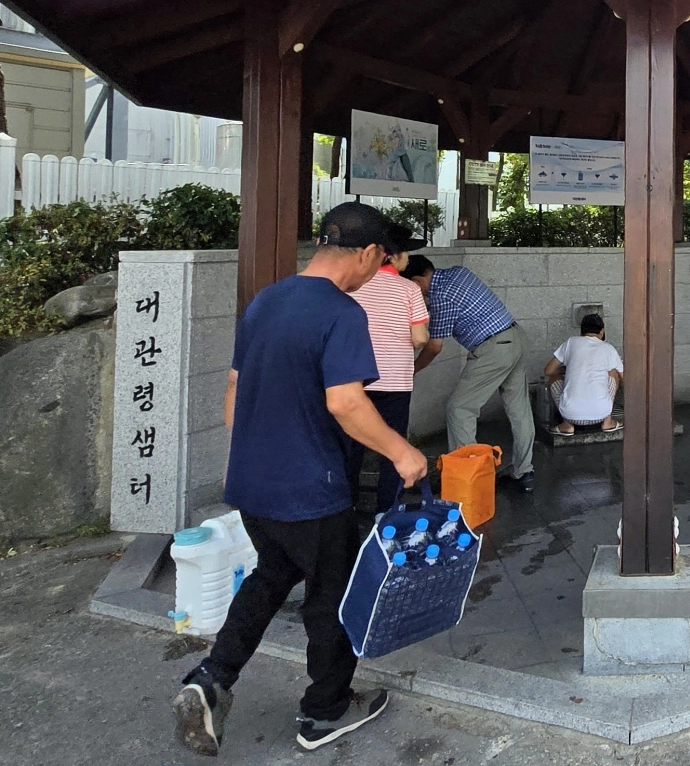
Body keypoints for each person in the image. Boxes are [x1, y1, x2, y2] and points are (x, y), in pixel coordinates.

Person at [172, 202, 428, 756]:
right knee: (332, 596)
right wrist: (403, 452)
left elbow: (235, 388)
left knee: (271, 574)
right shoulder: (341, 312)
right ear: (366, 254)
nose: (375, 272)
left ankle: (212, 676)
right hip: (311, 488)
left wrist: (246, 457)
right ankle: (325, 711)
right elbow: (346, 403)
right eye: (379, 260)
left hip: (252, 485)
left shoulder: (268, 299)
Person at [403, 255, 536, 492]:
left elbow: (433, 347)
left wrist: (410, 370)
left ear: (416, 280)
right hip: (515, 337)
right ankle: (523, 472)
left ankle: (470, 480)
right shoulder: (457, 273)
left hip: (493, 349)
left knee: (459, 408)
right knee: (519, 409)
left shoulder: (440, 296)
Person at [345, 228, 431, 514]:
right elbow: (420, 338)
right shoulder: (409, 290)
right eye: (406, 252)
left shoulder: (353, 286)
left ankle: (347, 507)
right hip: (395, 381)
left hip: (356, 380)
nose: (408, 258)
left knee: (351, 447)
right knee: (393, 448)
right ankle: (386, 512)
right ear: (393, 257)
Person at [544, 313, 624, 435]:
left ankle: (567, 425)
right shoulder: (608, 348)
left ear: (581, 332)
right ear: (602, 332)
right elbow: (623, 377)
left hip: (570, 414)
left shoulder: (571, 343)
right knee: (613, 372)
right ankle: (608, 421)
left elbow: (548, 371)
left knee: (554, 377)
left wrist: (566, 370)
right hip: (601, 413)